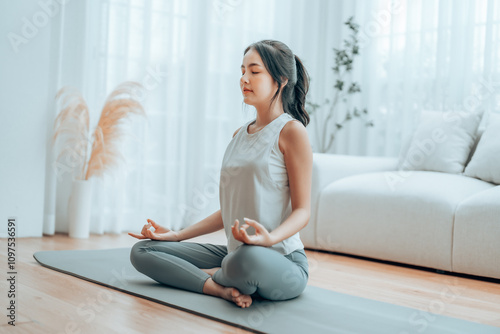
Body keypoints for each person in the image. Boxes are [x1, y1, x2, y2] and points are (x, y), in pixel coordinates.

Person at [129, 39, 313, 309]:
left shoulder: (292, 132)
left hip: (281, 261)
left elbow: (303, 211)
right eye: (242, 71)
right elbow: (229, 211)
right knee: (143, 251)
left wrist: (270, 239)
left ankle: (210, 275)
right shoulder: (239, 135)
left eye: (254, 71)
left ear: (281, 80)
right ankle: (218, 288)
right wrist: (177, 235)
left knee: (244, 260)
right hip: (235, 254)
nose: (244, 79)